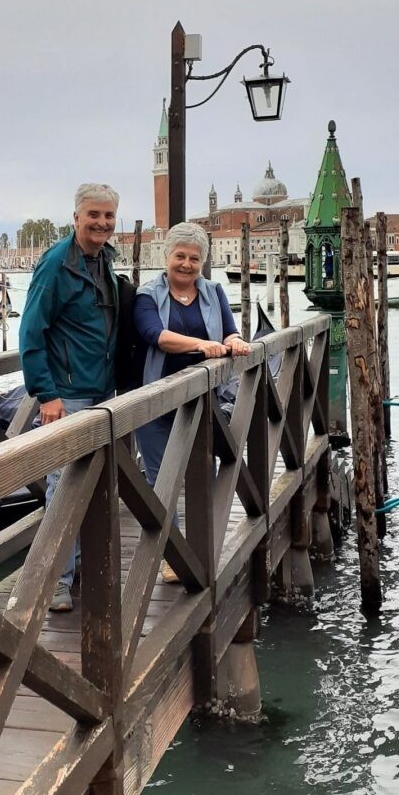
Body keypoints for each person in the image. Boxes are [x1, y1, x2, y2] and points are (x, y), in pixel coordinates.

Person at [19, 182, 120, 612]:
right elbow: (30, 331)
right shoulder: (57, 264)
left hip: (102, 389)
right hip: (67, 394)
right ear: (76, 217)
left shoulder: (105, 260)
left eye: (108, 216)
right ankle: (54, 583)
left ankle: (76, 569)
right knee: (62, 489)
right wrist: (46, 394)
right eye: (93, 215)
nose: (101, 223)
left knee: (92, 485)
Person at [134, 223, 251, 578]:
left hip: (204, 399)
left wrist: (237, 341)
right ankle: (170, 557)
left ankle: (202, 550)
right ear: (166, 257)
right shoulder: (147, 295)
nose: (186, 264)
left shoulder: (213, 292)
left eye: (194, 259)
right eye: (180, 256)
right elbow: (155, 335)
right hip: (156, 399)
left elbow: (230, 329)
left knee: (204, 472)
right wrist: (200, 345)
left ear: (203, 262)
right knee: (161, 481)